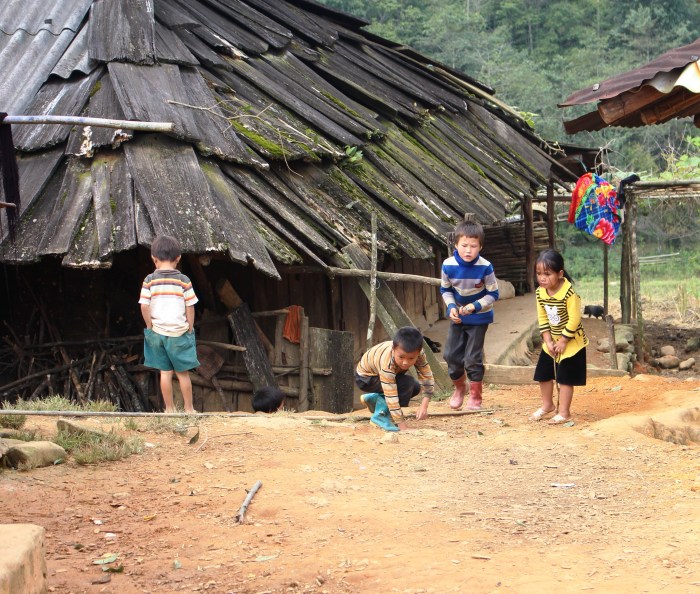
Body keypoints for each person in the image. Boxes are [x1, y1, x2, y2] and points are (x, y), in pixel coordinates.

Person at [440, 220, 499, 410]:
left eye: (473, 246)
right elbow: (446, 290)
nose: (468, 250)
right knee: (450, 355)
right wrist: (451, 307)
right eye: (464, 245)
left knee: (472, 358)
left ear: (480, 247)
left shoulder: (485, 267)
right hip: (458, 316)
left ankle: (475, 397)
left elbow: (493, 294)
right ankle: (460, 388)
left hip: (479, 317)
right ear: (456, 244)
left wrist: (475, 306)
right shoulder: (448, 265)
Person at [139, 235, 199, 414]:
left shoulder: (149, 280)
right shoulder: (184, 280)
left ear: (154, 258)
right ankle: (189, 409)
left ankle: (170, 410)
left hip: (157, 332)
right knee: (183, 374)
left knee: (165, 373)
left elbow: (144, 305)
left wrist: (149, 325)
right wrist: (190, 326)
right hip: (179, 333)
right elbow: (190, 306)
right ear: (178, 258)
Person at [529, 249, 588, 425]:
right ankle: (547, 405)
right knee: (543, 373)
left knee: (565, 378)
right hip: (552, 341)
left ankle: (564, 413)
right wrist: (547, 341)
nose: (542, 278)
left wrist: (563, 341)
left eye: (547, 274)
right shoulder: (540, 292)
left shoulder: (569, 294)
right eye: (539, 273)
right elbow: (542, 317)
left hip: (572, 343)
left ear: (560, 273)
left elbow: (574, 319)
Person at [355, 326, 434, 431]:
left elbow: (426, 376)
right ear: (393, 349)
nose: (405, 362)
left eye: (411, 358)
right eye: (401, 357)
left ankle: (375, 399)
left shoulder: (419, 353)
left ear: (418, 352)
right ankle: (379, 417)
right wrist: (403, 427)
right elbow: (391, 394)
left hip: (382, 376)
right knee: (406, 384)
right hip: (366, 378)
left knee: (414, 387)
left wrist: (424, 406)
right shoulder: (387, 362)